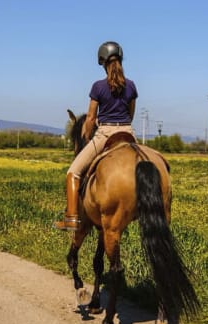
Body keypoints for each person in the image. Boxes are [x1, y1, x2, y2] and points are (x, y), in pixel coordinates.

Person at [54, 41, 138, 231]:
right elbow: (131, 115)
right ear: (121, 59)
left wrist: (86, 134)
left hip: (105, 133)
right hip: (128, 133)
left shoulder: (98, 86)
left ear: (103, 63)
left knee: (73, 173)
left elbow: (91, 117)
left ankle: (72, 219)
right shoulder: (131, 86)